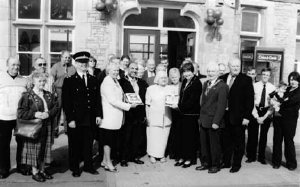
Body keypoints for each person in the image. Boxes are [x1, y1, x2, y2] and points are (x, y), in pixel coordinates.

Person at [62, 51, 102, 177]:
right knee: (75, 145)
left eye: (86, 62)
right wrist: (70, 120)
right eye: (81, 62)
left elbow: (97, 100)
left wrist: (98, 115)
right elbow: (66, 103)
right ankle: (75, 168)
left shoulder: (93, 79)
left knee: (88, 144)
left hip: (90, 118)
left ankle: (88, 166)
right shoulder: (69, 81)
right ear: (76, 64)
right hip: (76, 119)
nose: (84, 65)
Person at [17, 72, 59, 182]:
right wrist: (35, 114)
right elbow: (21, 113)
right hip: (34, 127)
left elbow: (56, 107)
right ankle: (34, 172)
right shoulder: (27, 95)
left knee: (44, 149)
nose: (42, 83)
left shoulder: (49, 94)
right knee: (35, 150)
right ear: (34, 82)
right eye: (39, 81)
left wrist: (48, 114)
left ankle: (42, 170)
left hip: (47, 125)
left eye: (43, 81)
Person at [99, 62, 137, 172]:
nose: (116, 72)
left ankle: (104, 160)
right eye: (113, 70)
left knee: (110, 140)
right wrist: (129, 106)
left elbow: (118, 97)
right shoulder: (107, 83)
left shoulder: (115, 81)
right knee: (108, 141)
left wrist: (126, 99)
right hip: (109, 116)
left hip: (115, 116)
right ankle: (108, 163)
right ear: (108, 71)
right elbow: (112, 100)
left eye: (117, 70)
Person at [219, 58, 254, 173]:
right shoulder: (222, 78)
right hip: (225, 115)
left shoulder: (246, 80)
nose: (235, 68)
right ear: (229, 66)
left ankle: (236, 164)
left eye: (237, 66)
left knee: (238, 142)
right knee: (226, 141)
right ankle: (226, 162)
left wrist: (247, 117)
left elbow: (250, 100)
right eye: (233, 66)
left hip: (239, 117)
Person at [196, 63, 228, 174]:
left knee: (214, 145)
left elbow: (221, 106)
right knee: (204, 144)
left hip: (214, 121)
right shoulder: (206, 84)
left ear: (218, 73)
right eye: (209, 71)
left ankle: (215, 165)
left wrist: (216, 121)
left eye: (213, 71)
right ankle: (205, 163)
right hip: (204, 119)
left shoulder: (222, 86)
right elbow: (203, 103)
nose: (210, 73)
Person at [0, 57, 27, 179]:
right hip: (3, 117)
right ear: (7, 65)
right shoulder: (0, 78)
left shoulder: (24, 80)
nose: (16, 67)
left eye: (17, 64)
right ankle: (4, 169)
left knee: (21, 143)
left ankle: (20, 166)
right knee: (3, 144)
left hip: (20, 118)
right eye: (13, 64)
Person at [118, 62, 148, 167]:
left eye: (136, 69)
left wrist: (145, 114)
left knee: (136, 137)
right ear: (127, 69)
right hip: (128, 113)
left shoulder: (142, 83)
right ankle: (123, 158)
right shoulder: (121, 82)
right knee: (126, 137)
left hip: (139, 114)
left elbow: (145, 98)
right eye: (132, 68)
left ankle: (134, 156)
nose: (134, 71)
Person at [174, 62, 202, 168]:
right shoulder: (185, 81)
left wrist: (179, 107)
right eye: (184, 72)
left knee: (190, 138)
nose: (186, 74)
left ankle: (190, 158)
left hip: (191, 114)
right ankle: (182, 157)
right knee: (182, 137)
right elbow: (182, 97)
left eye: (188, 71)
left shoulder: (196, 82)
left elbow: (193, 100)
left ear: (193, 71)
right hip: (183, 114)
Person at [246, 68, 276, 165]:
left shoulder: (272, 88)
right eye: (263, 74)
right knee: (252, 135)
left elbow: (273, 105)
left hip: (266, 111)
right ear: (260, 75)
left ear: (269, 76)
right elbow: (250, 103)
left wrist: (264, 116)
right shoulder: (254, 86)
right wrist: (256, 116)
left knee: (263, 136)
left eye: (267, 75)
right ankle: (251, 156)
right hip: (255, 110)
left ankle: (261, 157)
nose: (265, 76)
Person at [272, 72, 300, 171]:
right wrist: (281, 100)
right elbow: (278, 98)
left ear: (298, 80)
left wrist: (281, 101)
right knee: (277, 140)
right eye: (291, 79)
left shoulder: (298, 91)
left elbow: (289, 102)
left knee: (288, 141)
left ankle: (291, 163)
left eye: (295, 79)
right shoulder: (286, 89)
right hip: (279, 118)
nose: (292, 81)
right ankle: (276, 162)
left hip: (290, 120)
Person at [145, 71, 172, 163]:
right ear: (157, 79)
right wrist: (147, 117)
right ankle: (152, 155)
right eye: (161, 78)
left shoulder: (170, 88)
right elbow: (147, 104)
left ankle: (161, 155)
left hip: (166, 117)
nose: (163, 79)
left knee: (164, 137)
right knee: (153, 136)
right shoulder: (150, 89)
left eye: (165, 77)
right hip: (154, 117)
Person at [50, 50, 76, 136]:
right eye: (65, 57)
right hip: (59, 90)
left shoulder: (72, 68)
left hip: (69, 91)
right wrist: (53, 92)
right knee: (57, 110)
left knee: (67, 110)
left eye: (69, 57)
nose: (67, 59)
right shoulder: (56, 66)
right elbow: (51, 80)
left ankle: (67, 129)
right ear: (61, 57)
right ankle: (55, 129)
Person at [165, 68, 181, 160]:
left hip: (179, 111)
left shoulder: (182, 85)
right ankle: (172, 152)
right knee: (171, 133)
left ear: (179, 76)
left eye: (175, 77)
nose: (174, 78)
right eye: (172, 77)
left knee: (178, 132)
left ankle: (178, 152)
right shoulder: (167, 86)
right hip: (170, 111)